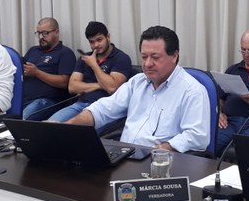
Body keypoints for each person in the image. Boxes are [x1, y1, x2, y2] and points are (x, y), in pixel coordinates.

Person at [66, 26, 210, 152]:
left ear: (174, 56)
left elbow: (197, 137)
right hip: (126, 155)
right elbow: (102, 110)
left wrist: (163, 148)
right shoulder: (137, 82)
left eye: (155, 57)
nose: (147, 64)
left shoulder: (192, 91)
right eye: (144, 57)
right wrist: (67, 126)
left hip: (162, 162)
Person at [47, 21, 133, 133]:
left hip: (104, 109)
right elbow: (72, 87)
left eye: (99, 40)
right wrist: (100, 85)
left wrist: (94, 65)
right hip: (80, 104)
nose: (96, 45)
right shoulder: (85, 58)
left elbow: (112, 88)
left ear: (108, 37)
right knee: (48, 127)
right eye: (92, 42)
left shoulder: (121, 58)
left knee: (75, 134)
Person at [21, 17, 77, 121]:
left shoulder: (65, 53)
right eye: (38, 33)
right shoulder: (33, 50)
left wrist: (37, 73)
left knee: (21, 120)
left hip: (47, 101)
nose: (41, 37)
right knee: (3, 117)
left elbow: (65, 82)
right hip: (23, 99)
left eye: (45, 33)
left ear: (56, 32)